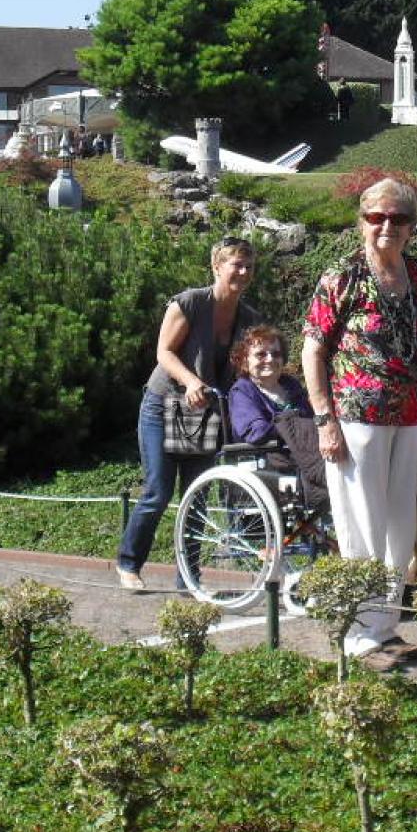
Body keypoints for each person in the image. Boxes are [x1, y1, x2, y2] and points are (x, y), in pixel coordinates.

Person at [303, 178, 417, 666]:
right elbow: (313, 350)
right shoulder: (342, 276)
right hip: (355, 416)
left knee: (399, 524)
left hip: (412, 415)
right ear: (362, 221)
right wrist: (324, 419)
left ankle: (384, 627)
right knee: (360, 523)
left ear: (412, 226)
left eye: (398, 218)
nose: (387, 226)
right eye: (377, 217)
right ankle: (357, 635)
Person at [117, 238, 262, 591]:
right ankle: (129, 563)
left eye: (248, 266)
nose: (242, 272)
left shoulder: (250, 318)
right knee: (158, 492)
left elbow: (251, 368)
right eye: (235, 265)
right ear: (217, 266)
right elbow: (164, 352)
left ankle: (188, 577)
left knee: (196, 495)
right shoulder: (190, 303)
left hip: (206, 415)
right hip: (163, 405)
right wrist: (191, 381)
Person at [226, 324, 329, 515]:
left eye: (276, 354)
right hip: (266, 465)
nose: (270, 359)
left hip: (302, 459)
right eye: (261, 354)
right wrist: (287, 423)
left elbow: (311, 421)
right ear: (244, 361)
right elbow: (255, 432)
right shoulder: (242, 391)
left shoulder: (291, 386)